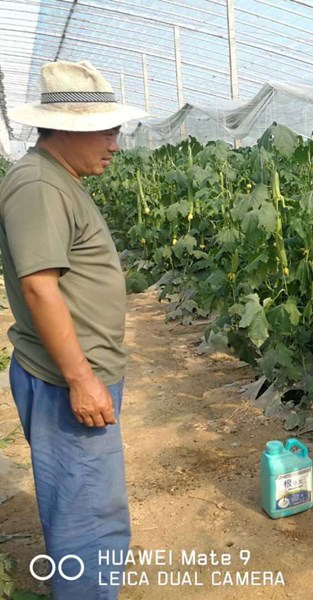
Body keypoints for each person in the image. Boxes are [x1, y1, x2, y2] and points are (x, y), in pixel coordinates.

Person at [0, 61, 147, 599]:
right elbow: (40, 287)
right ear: (68, 128)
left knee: (90, 507)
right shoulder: (39, 184)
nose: (115, 143)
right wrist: (82, 378)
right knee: (86, 518)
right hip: (68, 383)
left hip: (76, 376)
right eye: (107, 130)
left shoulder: (55, 178)